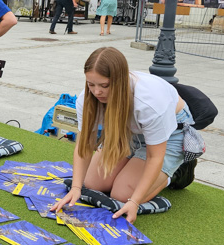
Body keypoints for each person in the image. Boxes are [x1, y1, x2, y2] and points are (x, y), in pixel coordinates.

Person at [52, 47, 194, 224]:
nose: (97, 92)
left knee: (123, 194)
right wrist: (75, 187)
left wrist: (134, 202)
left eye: (104, 85)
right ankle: (134, 166)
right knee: (93, 183)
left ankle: (177, 171)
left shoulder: (149, 103)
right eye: (91, 84)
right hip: (129, 130)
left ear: (121, 81)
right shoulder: (87, 99)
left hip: (172, 133)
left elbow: (155, 156)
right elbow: (84, 145)